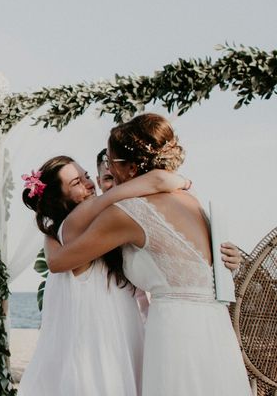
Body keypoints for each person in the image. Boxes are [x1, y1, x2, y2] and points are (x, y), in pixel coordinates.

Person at [45, 113, 250, 396]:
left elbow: (63, 253)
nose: (109, 171)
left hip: (175, 333)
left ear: (129, 168)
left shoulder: (127, 213)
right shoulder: (190, 199)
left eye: (112, 163)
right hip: (216, 330)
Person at [17, 155, 190, 395]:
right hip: (100, 354)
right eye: (77, 182)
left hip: (123, 344)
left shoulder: (96, 227)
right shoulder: (72, 225)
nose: (89, 184)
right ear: (60, 198)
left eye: (87, 176)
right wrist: (180, 180)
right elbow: (153, 182)